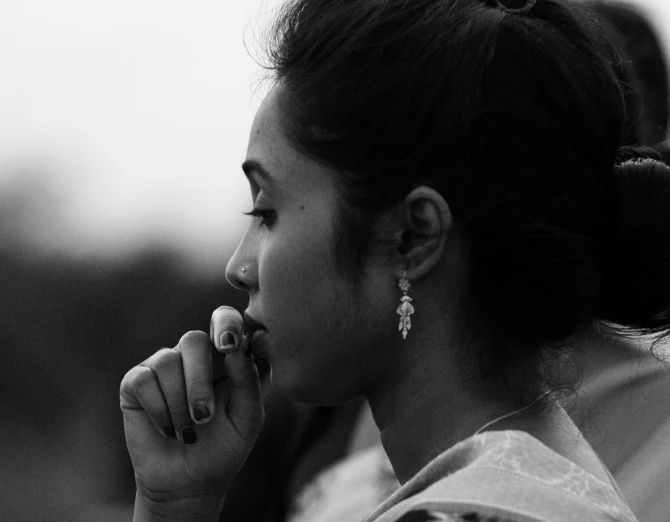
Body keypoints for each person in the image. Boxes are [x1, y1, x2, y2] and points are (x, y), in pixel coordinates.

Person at [119, 0, 670, 520]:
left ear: (413, 236)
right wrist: (178, 503)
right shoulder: (538, 484)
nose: (238, 268)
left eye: (266, 213)